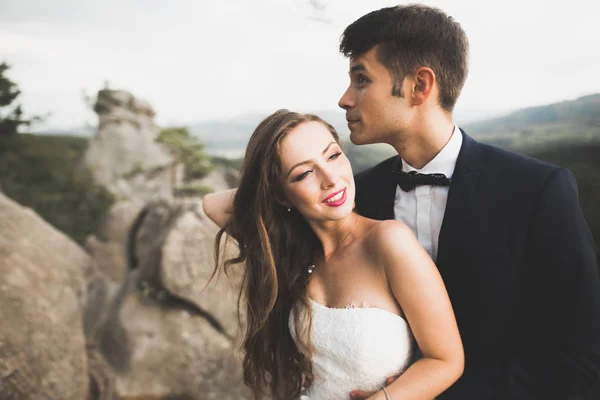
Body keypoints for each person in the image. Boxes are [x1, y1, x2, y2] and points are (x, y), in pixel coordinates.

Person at [337, 4, 600, 400]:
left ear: (419, 86)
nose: (344, 99)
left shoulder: (539, 190)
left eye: (361, 79)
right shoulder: (360, 196)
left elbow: (583, 356)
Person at [203, 109, 464, 399]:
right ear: (279, 194)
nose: (330, 178)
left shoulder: (389, 242)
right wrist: (267, 188)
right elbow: (212, 205)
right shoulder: (294, 253)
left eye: (333, 156)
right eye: (304, 173)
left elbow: (446, 361)